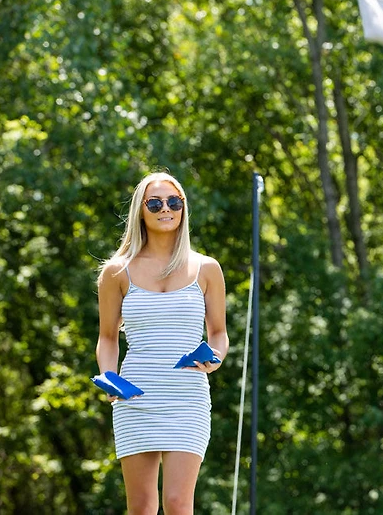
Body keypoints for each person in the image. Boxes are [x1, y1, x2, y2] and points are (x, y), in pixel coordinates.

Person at [95, 172, 229, 515]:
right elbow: (107, 338)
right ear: (140, 211)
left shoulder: (207, 268)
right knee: (141, 507)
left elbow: (218, 333)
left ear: (183, 207)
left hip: (187, 398)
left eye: (173, 202)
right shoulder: (116, 272)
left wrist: (215, 357)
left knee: (177, 503)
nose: (165, 209)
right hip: (135, 397)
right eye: (154, 203)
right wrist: (109, 376)